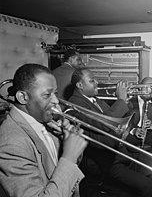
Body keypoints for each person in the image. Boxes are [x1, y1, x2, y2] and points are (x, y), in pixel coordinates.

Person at [67, 68, 152, 197]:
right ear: (80, 85)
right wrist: (120, 100)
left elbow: (121, 120)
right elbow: (104, 124)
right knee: (147, 185)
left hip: (118, 151)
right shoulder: (75, 103)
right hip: (105, 160)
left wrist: (126, 101)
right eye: (92, 80)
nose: (97, 82)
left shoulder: (96, 99)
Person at [0, 63, 87, 197]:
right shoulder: (11, 144)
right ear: (23, 97)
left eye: (55, 93)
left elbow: (64, 166)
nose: (56, 101)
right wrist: (69, 156)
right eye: (47, 95)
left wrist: (67, 144)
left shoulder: (43, 120)